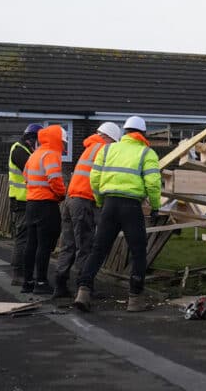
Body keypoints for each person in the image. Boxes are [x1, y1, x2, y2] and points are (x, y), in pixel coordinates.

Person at [75, 116, 161, 313]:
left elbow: (94, 178)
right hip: (131, 206)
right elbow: (153, 183)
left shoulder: (107, 149)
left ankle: (83, 292)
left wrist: (99, 201)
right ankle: (135, 300)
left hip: (109, 205)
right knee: (139, 252)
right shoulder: (146, 153)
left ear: (125, 132)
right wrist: (155, 206)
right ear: (143, 134)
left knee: (98, 250)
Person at [53, 122, 122, 299]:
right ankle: (84, 287)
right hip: (84, 201)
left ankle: (60, 285)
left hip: (71, 199)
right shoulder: (103, 149)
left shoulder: (90, 147)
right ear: (109, 138)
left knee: (68, 244)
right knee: (85, 245)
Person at [22, 124, 67, 294]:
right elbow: (54, 179)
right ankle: (41, 282)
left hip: (31, 204)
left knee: (31, 243)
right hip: (46, 205)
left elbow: (26, 175)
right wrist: (61, 195)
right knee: (44, 244)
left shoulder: (35, 154)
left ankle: (28, 282)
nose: (63, 147)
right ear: (57, 139)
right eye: (63, 142)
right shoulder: (51, 154)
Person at [7, 123, 43, 285]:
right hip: (21, 201)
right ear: (31, 139)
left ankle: (23, 273)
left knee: (27, 238)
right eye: (38, 141)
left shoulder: (25, 149)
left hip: (27, 200)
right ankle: (18, 274)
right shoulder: (19, 151)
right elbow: (32, 169)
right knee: (22, 238)